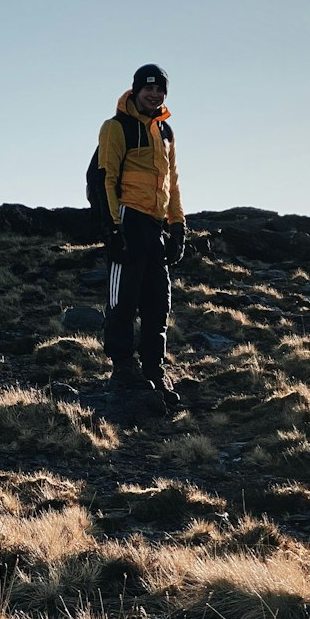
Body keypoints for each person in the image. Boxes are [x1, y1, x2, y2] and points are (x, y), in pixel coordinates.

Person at [95, 64, 186, 411]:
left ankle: (154, 369)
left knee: (157, 303)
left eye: (160, 89)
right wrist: (113, 230)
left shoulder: (166, 133)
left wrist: (178, 227)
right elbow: (106, 177)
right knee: (123, 301)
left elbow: (172, 184)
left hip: (155, 227)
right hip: (128, 220)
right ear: (135, 90)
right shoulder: (116, 128)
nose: (154, 94)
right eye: (148, 88)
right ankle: (122, 369)